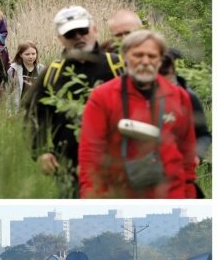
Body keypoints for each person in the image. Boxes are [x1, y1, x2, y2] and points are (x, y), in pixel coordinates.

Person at [78, 29, 198, 198]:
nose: (145, 61)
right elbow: (90, 155)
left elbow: (187, 153)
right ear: (125, 57)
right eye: (138, 55)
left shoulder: (179, 96)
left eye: (152, 56)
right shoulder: (102, 97)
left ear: (160, 60)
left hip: (171, 194)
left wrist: (188, 198)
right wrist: (91, 198)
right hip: (120, 195)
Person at [23, 5, 125, 198]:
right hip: (68, 165)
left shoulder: (118, 66)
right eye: (70, 34)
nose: (78, 37)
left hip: (117, 163)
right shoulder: (53, 73)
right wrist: (42, 151)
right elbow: (34, 114)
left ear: (94, 30)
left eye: (82, 31)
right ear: (60, 39)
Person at [7, 42, 45, 111]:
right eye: (27, 54)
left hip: (36, 109)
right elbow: (8, 92)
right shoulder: (13, 70)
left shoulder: (42, 69)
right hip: (18, 108)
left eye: (33, 54)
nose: (31, 57)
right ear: (20, 55)